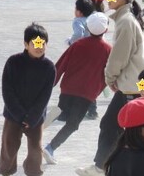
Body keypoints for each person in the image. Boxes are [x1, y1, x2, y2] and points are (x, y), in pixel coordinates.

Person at [75, 0, 144, 176]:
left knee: (115, 126)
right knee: (119, 126)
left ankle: (102, 168)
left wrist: (109, 77)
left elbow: (119, 56)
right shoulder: (128, 18)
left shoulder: (125, 21)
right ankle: (107, 167)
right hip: (135, 82)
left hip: (132, 84)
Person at [0, 23, 56, 176]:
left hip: (36, 117)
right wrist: (19, 115)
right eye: (35, 43)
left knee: (35, 148)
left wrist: (32, 117)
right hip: (13, 114)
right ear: (26, 44)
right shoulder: (13, 62)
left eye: (43, 43)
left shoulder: (49, 67)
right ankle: (6, 175)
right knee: (9, 145)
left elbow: (45, 96)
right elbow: (7, 91)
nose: (39, 47)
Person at [42, 13, 111, 165]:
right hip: (87, 92)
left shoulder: (78, 44)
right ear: (106, 30)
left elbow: (61, 64)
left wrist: (50, 83)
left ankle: (43, 123)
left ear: (88, 27)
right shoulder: (108, 49)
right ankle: (50, 147)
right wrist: (105, 87)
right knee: (72, 124)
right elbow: (109, 73)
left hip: (68, 87)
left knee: (61, 112)